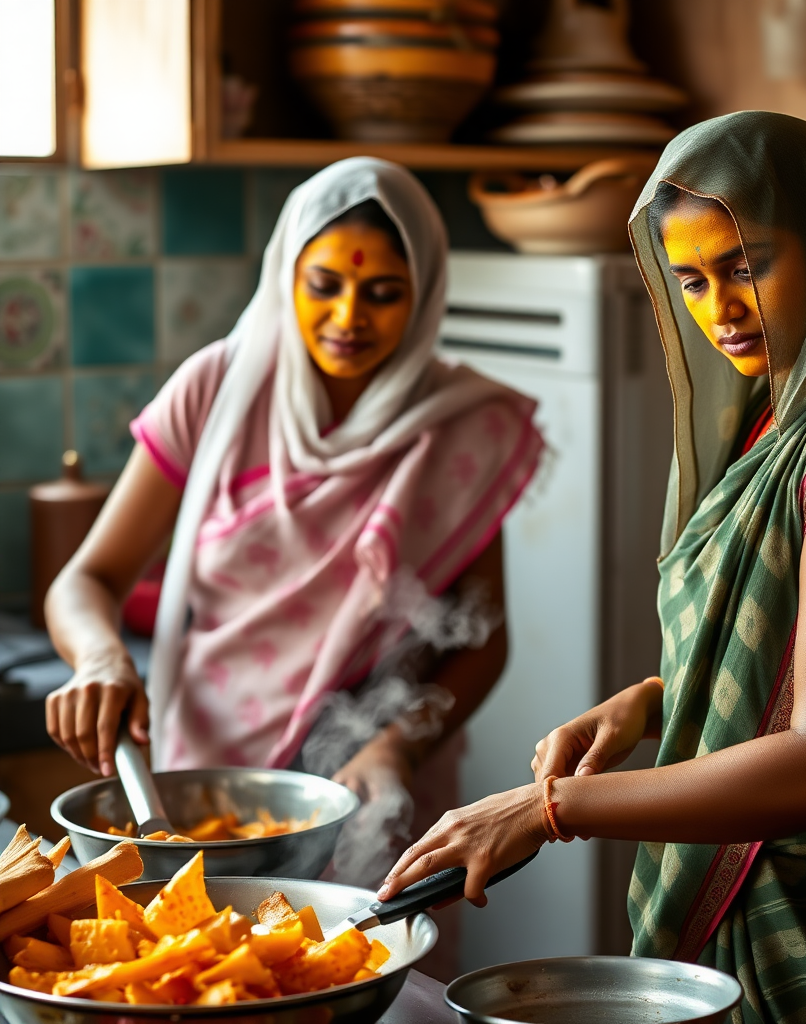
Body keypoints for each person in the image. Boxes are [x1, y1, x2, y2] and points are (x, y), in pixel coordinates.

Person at [377, 113, 806, 1021]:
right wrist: (647, 703)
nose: (719, 306)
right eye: (690, 279)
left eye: (747, 264)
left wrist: (548, 808)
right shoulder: (779, 418)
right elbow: (790, 668)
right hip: (759, 891)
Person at [43, 159, 543, 915]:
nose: (348, 317)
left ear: (425, 295)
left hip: (378, 790)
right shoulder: (214, 390)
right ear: (286, 275)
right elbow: (88, 579)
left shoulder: (460, 429)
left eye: (382, 294)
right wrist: (103, 658)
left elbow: (482, 639)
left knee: (363, 973)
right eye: (324, 286)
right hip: (205, 778)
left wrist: (396, 745)